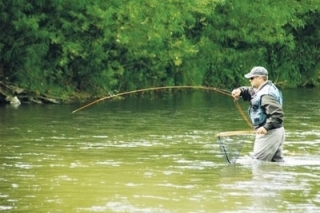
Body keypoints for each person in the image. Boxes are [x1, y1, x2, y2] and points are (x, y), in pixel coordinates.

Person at [231, 66, 285, 162]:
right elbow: (251, 92)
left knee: (257, 164)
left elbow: (277, 114)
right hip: (277, 131)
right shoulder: (264, 89)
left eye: (252, 78)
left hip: (269, 133)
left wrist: (265, 127)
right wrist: (241, 91)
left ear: (260, 78)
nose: (249, 80)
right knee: (275, 165)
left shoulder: (266, 94)